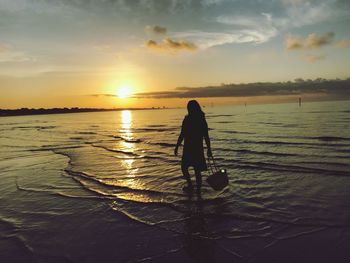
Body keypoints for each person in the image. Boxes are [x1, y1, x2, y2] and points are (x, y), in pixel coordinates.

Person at [174, 100, 212, 195]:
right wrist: (177, 146)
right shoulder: (198, 119)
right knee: (193, 169)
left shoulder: (196, 119)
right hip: (195, 148)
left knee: (189, 168)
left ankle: (193, 187)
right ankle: (195, 189)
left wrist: (177, 146)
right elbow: (205, 136)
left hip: (191, 147)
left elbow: (205, 135)